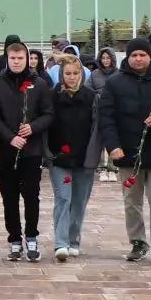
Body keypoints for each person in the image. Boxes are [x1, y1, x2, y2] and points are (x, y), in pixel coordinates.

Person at [98, 38, 151, 263]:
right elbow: (106, 117)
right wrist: (113, 146)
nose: (138, 59)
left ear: (150, 56)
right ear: (127, 58)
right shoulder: (115, 83)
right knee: (132, 201)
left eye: (142, 55)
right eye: (134, 55)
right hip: (128, 152)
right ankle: (137, 241)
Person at [0, 41, 53, 263]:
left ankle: (31, 237)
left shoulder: (39, 84)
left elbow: (49, 113)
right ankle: (14, 238)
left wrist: (33, 127)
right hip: (5, 150)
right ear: (7, 59)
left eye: (20, 58)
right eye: (12, 58)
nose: (16, 62)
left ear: (27, 59)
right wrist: (9, 137)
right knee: (9, 197)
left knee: (31, 196)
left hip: (31, 151)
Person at [48, 54, 100, 261]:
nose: (71, 77)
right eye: (67, 73)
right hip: (59, 157)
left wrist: (94, 155)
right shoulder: (52, 96)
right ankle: (61, 243)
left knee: (78, 201)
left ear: (81, 74)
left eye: (75, 73)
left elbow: (96, 127)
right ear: (62, 75)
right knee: (63, 198)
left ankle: (73, 240)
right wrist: (48, 153)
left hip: (83, 157)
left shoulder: (91, 97)